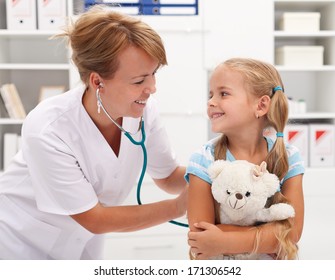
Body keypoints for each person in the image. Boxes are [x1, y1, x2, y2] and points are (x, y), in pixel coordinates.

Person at [0, 5, 187, 260]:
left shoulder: (143, 110)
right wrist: (179, 206)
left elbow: (168, 177)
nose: (152, 88)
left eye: (153, 74)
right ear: (97, 81)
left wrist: (214, 174)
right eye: (139, 80)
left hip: (81, 244)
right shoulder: (48, 127)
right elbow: (94, 218)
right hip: (19, 244)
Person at [186, 57, 305, 260]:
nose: (211, 101)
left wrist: (224, 240)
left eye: (223, 93)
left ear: (261, 106)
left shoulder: (289, 157)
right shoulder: (203, 159)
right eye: (211, 94)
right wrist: (269, 235)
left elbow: (292, 233)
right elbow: (201, 239)